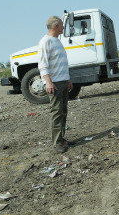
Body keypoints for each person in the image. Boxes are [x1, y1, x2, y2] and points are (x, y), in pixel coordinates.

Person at [38, 16, 73, 153]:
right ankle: (57, 143)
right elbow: (42, 64)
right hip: (55, 83)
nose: (64, 27)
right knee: (57, 112)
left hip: (63, 81)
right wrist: (48, 82)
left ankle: (62, 138)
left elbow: (61, 63)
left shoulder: (57, 41)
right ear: (56, 26)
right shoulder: (45, 42)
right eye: (62, 25)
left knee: (63, 111)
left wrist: (68, 79)